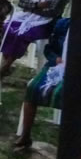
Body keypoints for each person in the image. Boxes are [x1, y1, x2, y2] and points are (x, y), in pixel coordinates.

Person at [0, 0, 70, 76]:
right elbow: (21, 1)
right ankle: (7, 62)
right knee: (6, 27)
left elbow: (52, 12)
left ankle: (6, 66)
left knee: (23, 34)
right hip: (28, 17)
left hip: (48, 23)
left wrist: (32, 8)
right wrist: (37, 5)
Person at [15, 18, 70, 149]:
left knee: (72, 95)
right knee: (33, 88)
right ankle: (25, 135)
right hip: (56, 68)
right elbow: (49, 49)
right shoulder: (63, 25)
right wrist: (56, 59)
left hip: (80, 71)